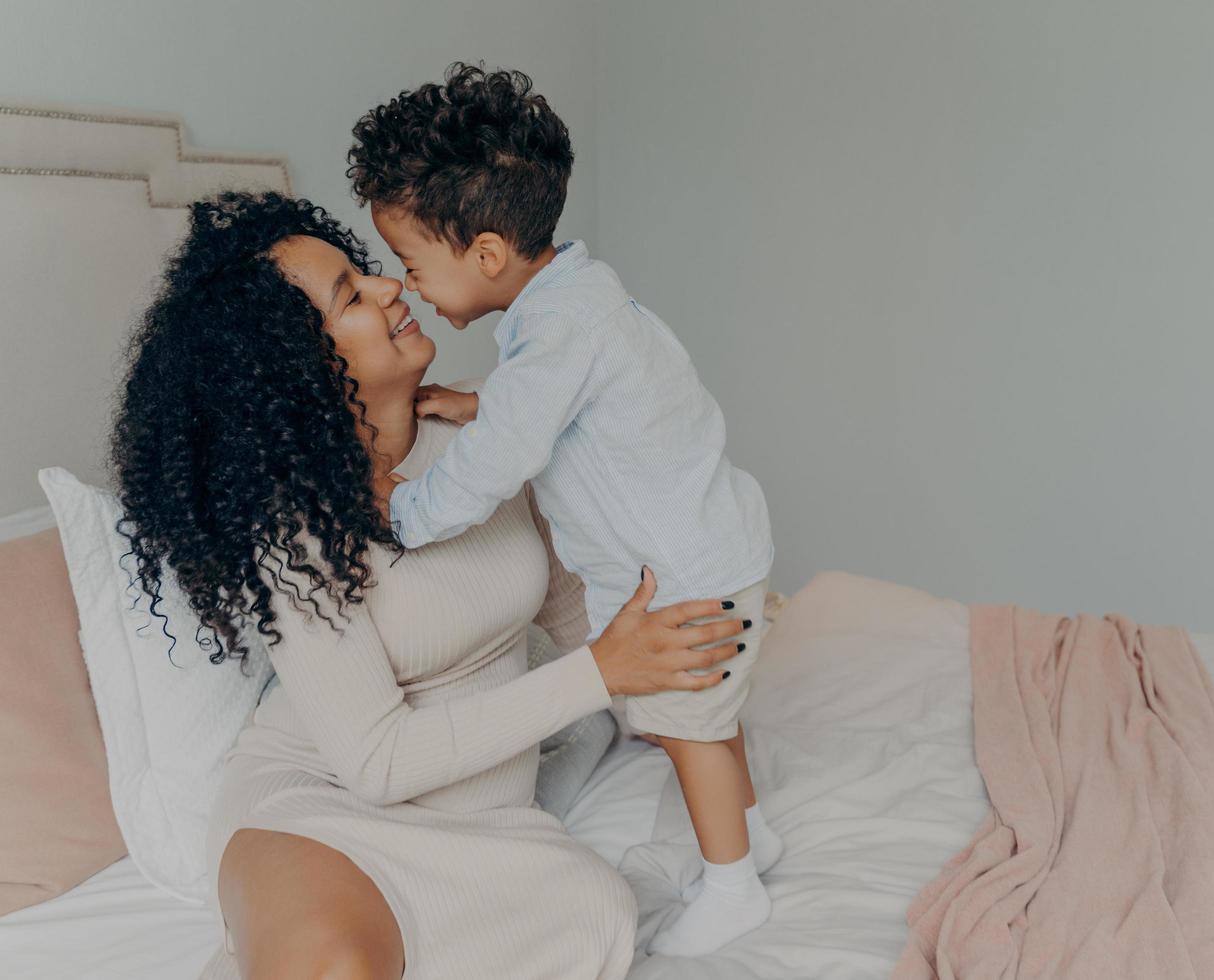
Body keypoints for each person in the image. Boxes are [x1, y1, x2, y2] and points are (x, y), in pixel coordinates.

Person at [110, 191, 747, 979]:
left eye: (369, 273)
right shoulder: (297, 529)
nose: (390, 290)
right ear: (298, 368)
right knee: (334, 964)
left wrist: (672, 685)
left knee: (600, 912)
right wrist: (602, 674)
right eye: (350, 295)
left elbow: (571, 607)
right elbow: (376, 761)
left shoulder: (490, 438)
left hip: (492, 828)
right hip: (327, 807)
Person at [350, 64, 781, 955]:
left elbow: (496, 465)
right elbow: (583, 402)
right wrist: (479, 400)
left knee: (684, 728)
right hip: (714, 550)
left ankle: (735, 885)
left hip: (685, 578)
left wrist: (406, 512)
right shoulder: (576, 300)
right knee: (707, 720)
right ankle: (752, 830)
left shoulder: (555, 333)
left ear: (485, 256)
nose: (409, 287)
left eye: (411, 264)